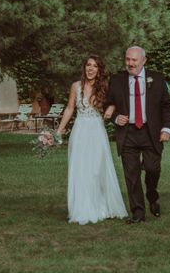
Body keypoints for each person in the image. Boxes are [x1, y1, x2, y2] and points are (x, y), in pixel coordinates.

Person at [105, 46, 170, 224]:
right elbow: (108, 105)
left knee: (152, 168)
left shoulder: (157, 79)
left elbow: (166, 106)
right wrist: (115, 117)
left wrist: (167, 128)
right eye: (127, 59)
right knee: (131, 174)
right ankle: (138, 213)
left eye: (134, 60)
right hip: (127, 134)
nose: (130, 63)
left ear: (144, 60)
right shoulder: (117, 80)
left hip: (151, 133)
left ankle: (152, 195)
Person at [56, 55, 128, 225]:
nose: (90, 69)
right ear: (84, 67)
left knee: (96, 169)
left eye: (95, 66)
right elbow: (69, 108)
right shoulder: (76, 86)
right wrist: (58, 131)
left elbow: (118, 100)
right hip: (79, 131)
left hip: (96, 131)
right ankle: (80, 208)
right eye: (88, 65)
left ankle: (100, 206)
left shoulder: (105, 86)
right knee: (80, 169)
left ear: (99, 70)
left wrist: (110, 108)